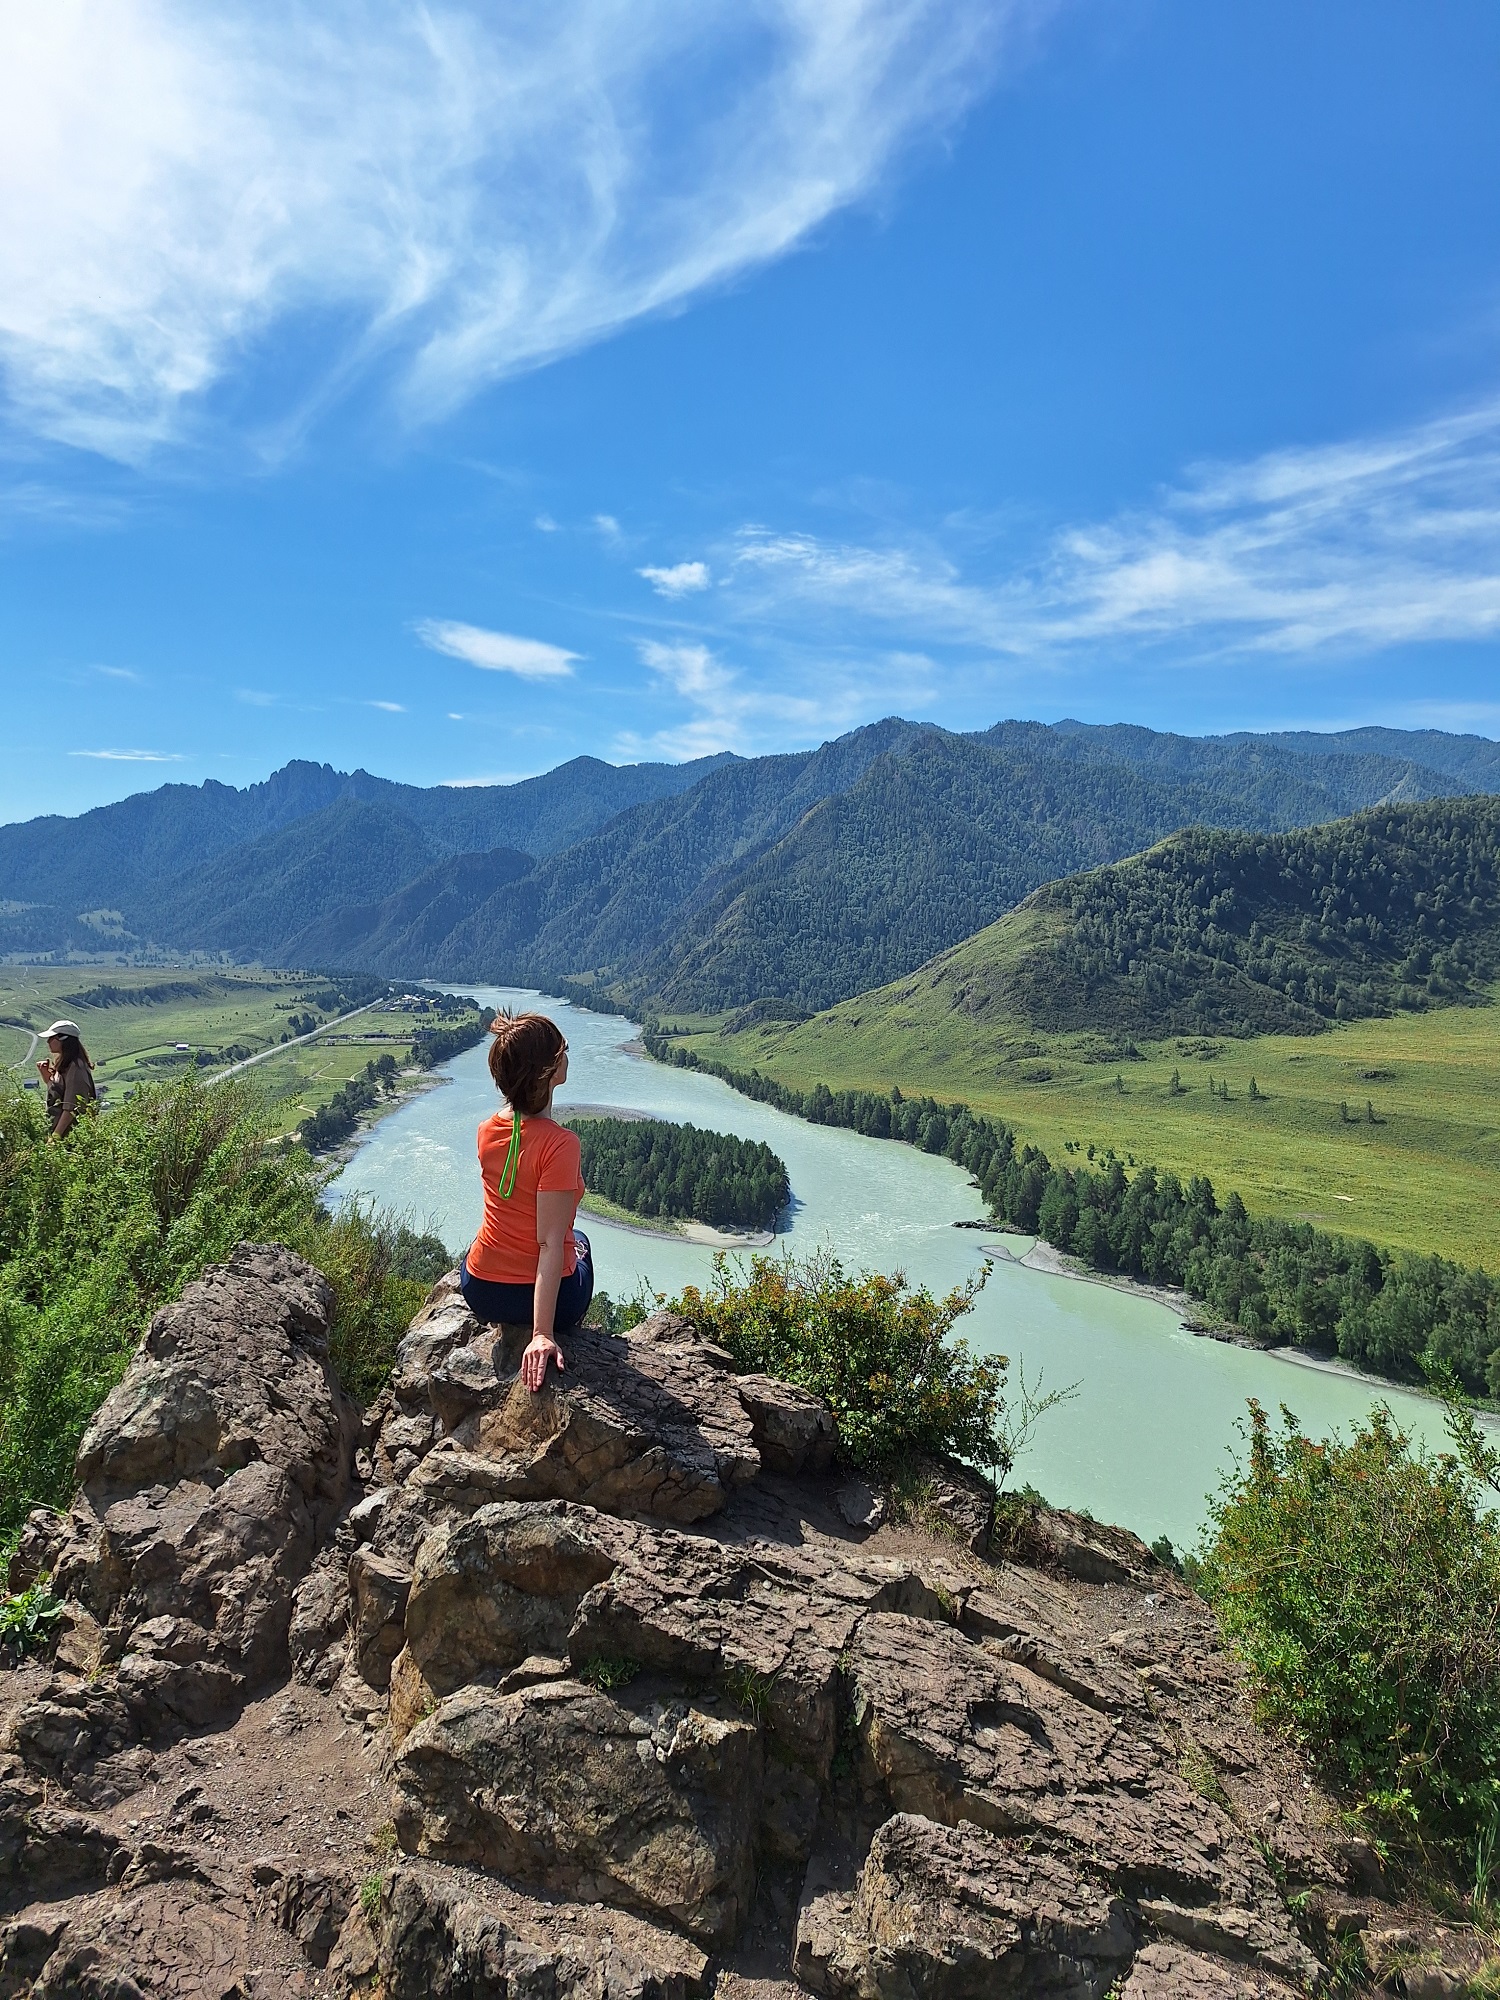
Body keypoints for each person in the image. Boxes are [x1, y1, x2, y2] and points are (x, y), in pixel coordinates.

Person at [459, 1010, 593, 1393]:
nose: (567, 1054)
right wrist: (542, 1333)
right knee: (580, 1241)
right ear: (548, 1072)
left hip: (481, 1290)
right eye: (562, 1050)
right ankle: (543, 1322)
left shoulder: (487, 1130)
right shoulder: (561, 1145)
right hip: (552, 1302)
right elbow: (549, 1243)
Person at [37, 1020, 97, 1139]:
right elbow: (60, 1095)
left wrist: (55, 1137)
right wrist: (47, 1077)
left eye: (52, 1038)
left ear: (64, 1039)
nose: (48, 1041)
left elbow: (71, 1107)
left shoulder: (76, 1068)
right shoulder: (67, 1064)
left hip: (71, 1137)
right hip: (63, 1132)